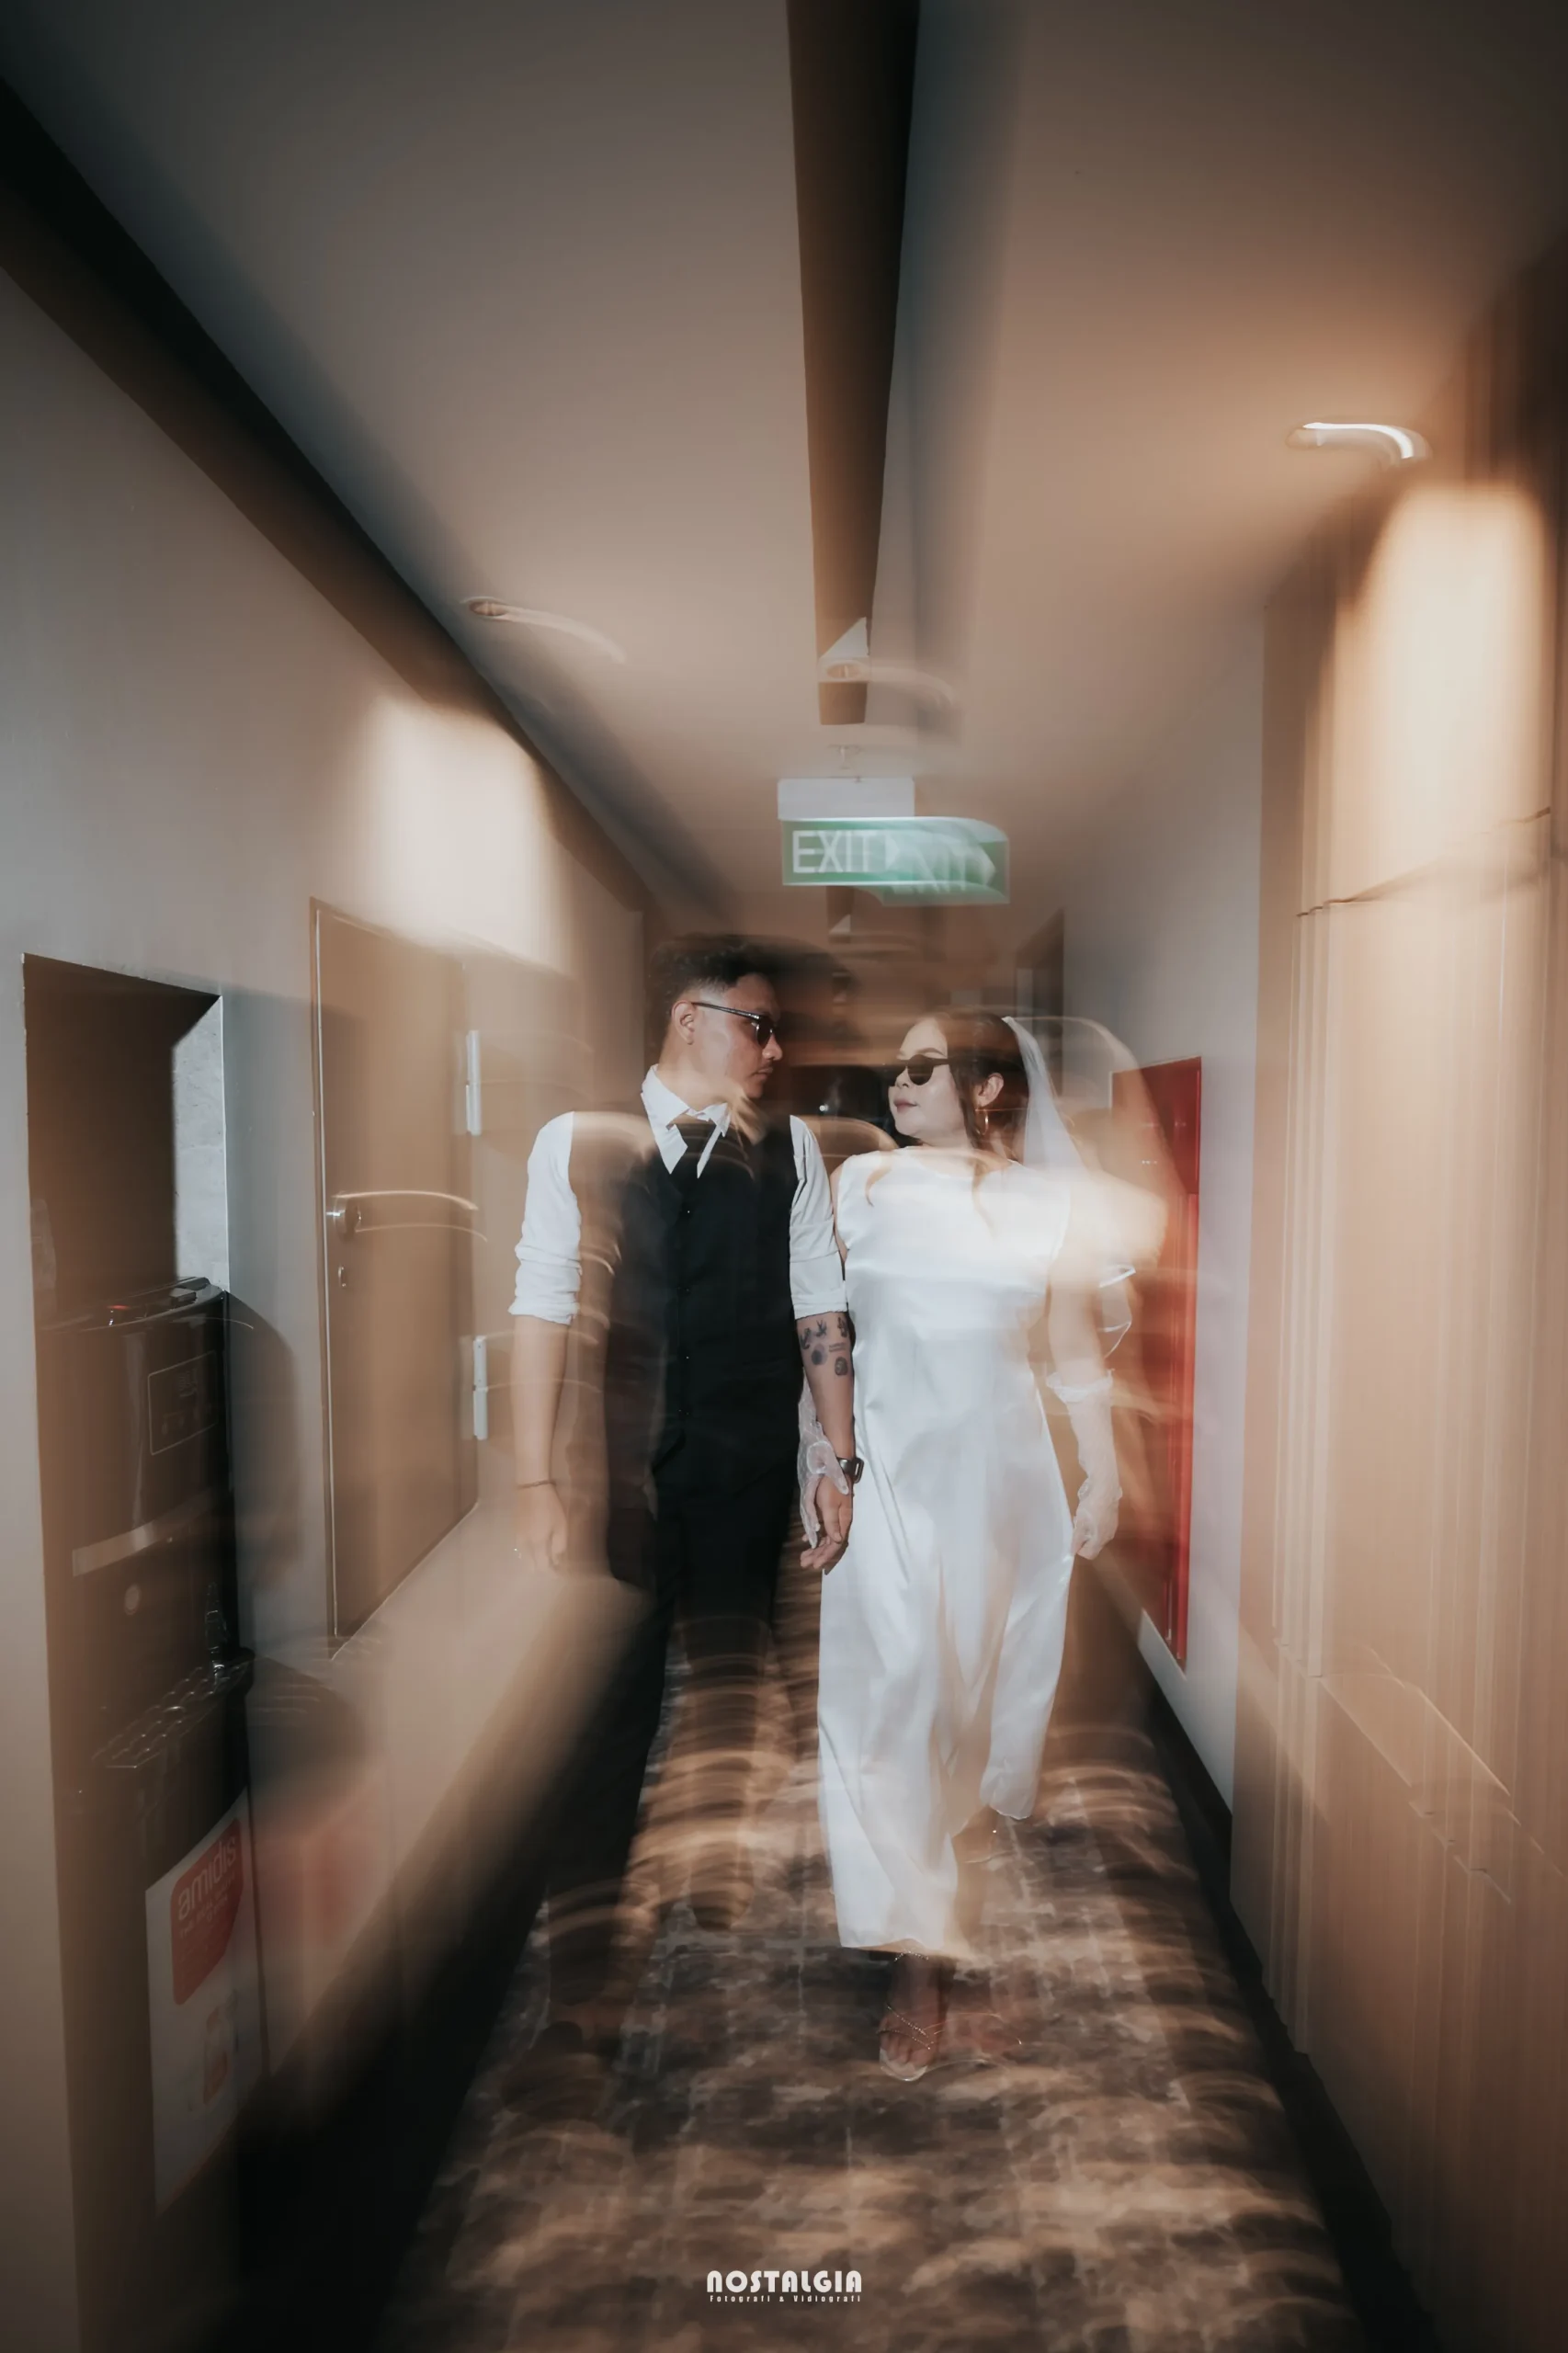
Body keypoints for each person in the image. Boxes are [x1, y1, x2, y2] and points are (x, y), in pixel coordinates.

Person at [508, 936, 858, 2107]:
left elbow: (818, 1302)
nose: (773, 1049)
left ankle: (711, 1853)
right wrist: (531, 1476)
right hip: (625, 1482)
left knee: (728, 1674)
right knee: (605, 1735)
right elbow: (542, 1303)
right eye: (756, 1025)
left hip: (746, 1474)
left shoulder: (790, 1150)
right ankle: (576, 2007)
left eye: (774, 1030)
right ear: (687, 1019)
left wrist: (833, 1459)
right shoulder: (577, 1143)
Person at [812, 1009, 1119, 2082]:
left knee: (961, 1702)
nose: (896, 1081)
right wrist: (822, 1458)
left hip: (996, 1481)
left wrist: (1104, 1471)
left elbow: (1072, 1346)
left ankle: (947, 1862)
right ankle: (916, 1957)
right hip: (886, 1473)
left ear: (987, 1089)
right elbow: (823, 1335)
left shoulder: (1048, 1205)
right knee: (889, 1695)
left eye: (923, 1065)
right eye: (894, 1066)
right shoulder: (857, 1188)